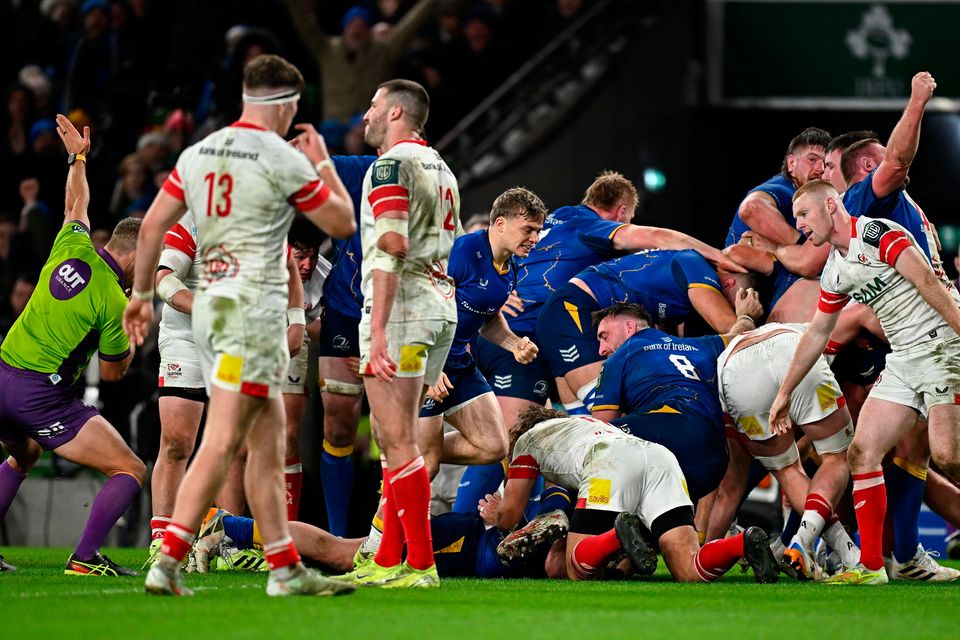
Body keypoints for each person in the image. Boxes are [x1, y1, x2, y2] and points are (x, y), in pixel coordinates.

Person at [123, 54, 356, 597]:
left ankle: (284, 569)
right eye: (295, 105)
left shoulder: (200, 152)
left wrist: (141, 297)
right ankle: (168, 560)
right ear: (285, 104)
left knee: (268, 444)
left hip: (217, 310)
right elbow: (343, 221)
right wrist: (322, 164)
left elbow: (153, 224)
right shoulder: (280, 157)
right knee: (224, 438)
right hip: (249, 314)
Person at [770, 178, 960, 585]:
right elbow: (817, 334)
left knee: (948, 458)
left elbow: (929, 283)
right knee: (862, 452)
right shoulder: (835, 270)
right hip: (904, 358)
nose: (799, 224)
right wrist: (784, 392)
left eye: (803, 214)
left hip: (942, 345)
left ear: (831, 206)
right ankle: (872, 567)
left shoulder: (876, 234)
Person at [0, 113, 145, 577]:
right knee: (129, 469)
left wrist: (78, 159)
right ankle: (85, 559)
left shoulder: (71, 243)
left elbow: (75, 203)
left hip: (2, 375)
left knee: (24, 453)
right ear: (138, 254)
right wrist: (133, 338)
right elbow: (113, 374)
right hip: (39, 395)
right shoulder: (115, 300)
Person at [343, 78, 459, 589]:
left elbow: (391, 243)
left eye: (373, 105)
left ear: (395, 113)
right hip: (436, 306)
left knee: (396, 440)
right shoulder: (441, 166)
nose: (366, 115)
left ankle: (421, 564)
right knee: (397, 441)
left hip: (402, 311)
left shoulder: (389, 165)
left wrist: (379, 330)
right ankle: (389, 558)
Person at [496, 407, 780, 583]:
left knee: (574, 567)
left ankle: (617, 537)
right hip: (659, 457)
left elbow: (509, 515)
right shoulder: (582, 424)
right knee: (688, 569)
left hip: (608, 461)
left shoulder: (526, 441)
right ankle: (741, 543)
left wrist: (495, 513)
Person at [418, 187, 545, 504]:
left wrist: (513, 343)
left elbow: (488, 317)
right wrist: (427, 366)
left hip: (457, 362)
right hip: (422, 358)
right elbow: (416, 307)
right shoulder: (462, 252)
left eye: (538, 231)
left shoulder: (511, 267)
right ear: (500, 223)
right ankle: (383, 532)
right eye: (528, 229)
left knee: (494, 446)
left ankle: (407, 456)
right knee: (427, 466)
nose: (535, 238)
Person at [715, 322, 861, 580]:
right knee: (836, 456)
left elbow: (730, 482)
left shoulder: (728, 347)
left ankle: (848, 553)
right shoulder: (816, 326)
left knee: (787, 470)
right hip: (792, 349)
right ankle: (803, 542)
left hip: (735, 371)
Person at [537, 249, 752, 412]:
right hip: (574, 308)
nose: (732, 306)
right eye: (737, 301)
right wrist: (746, 314)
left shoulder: (675, 296)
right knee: (619, 415)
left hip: (569, 313)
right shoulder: (699, 269)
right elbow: (737, 337)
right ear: (731, 283)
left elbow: (668, 349)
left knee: (585, 421)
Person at [590, 298, 759, 502]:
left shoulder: (621, 357)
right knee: (662, 507)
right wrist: (746, 315)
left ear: (630, 327)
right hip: (714, 461)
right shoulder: (698, 345)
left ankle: (576, 510)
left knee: (587, 444)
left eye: (604, 337)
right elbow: (741, 336)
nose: (601, 349)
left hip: (671, 433)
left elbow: (600, 428)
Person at [317, 154, 375, 539]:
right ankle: (336, 539)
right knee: (338, 427)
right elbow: (305, 164)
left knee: (394, 433)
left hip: (396, 315)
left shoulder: (429, 179)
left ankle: (386, 537)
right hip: (345, 310)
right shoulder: (361, 169)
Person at [724, 127, 831, 309]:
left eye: (826, 163)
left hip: (764, 293)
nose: (820, 169)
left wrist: (779, 248)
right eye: (812, 159)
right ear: (791, 164)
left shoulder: (815, 198)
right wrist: (802, 247)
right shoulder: (784, 189)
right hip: (735, 291)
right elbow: (751, 207)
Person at [281, 215, 330, 522]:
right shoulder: (262, 263)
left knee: (288, 434)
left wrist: (299, 328)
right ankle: (234, 524)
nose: (307, 264)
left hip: (294, 349)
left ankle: (288, 527)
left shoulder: (325, 275)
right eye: (300, 256)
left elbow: (331, 326)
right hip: (252, 345)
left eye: (313, 255)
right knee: (241, 442)